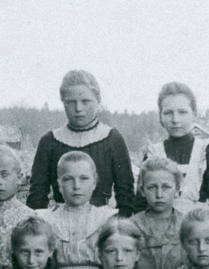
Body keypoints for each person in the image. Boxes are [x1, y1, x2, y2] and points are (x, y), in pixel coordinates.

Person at [27, 70, 136, 216]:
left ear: (98, 101)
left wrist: (120, 231)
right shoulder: (49, 141)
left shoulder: (112, 139)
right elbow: (37, 196)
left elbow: (126, 194)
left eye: (85, 101)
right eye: (71, 102)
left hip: (101, 222)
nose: (78, 109)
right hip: (60, 223)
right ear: (63, 103)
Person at [136, 82, 209, 213]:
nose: (175, 119)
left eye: (182, 112)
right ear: (160, 116)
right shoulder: (153, 153)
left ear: (194, 114)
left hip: (197, 229)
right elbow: (140, 205)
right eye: (168, 113)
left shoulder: (206, 151)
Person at [37, 151, 118, 269]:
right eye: (68, 179)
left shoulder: (105, 218)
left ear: (94, 182)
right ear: (59, 184)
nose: (76, 186)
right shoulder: (47, 219)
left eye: (84, 178)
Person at [128, 157, 185, 269]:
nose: (159, 194)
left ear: (177, 189)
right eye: (152, 187)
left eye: (166, 187)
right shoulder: (132, 226)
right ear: (142, 190)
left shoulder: (186, 225)